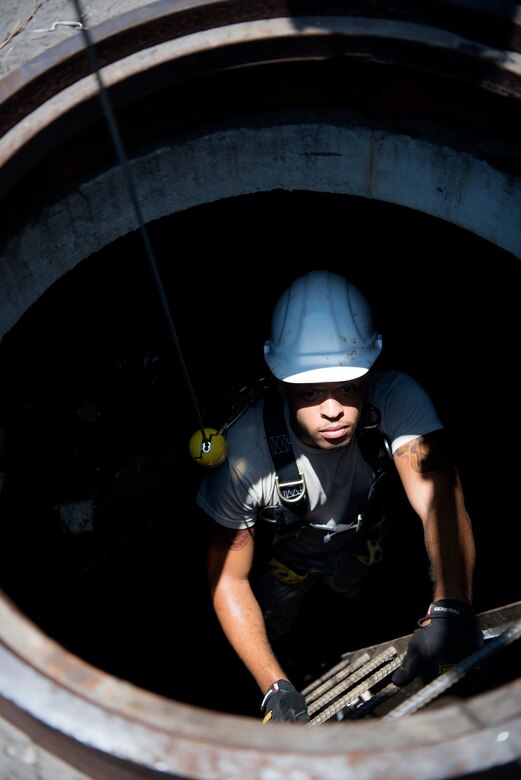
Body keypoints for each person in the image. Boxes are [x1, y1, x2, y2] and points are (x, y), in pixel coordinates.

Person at [196, 269, 483, 724]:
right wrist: (274, 686)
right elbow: (228, 580)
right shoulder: (242, 463)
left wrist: (452, 603)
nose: (332, 408)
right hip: (286, 567)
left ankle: (348, 622)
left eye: (348, 386)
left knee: (354, 593)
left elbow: (439, 502)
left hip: (362, 541)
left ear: (369, 375)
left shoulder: (395, 399)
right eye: (311, 391)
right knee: (278, 622)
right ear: (280, 385)